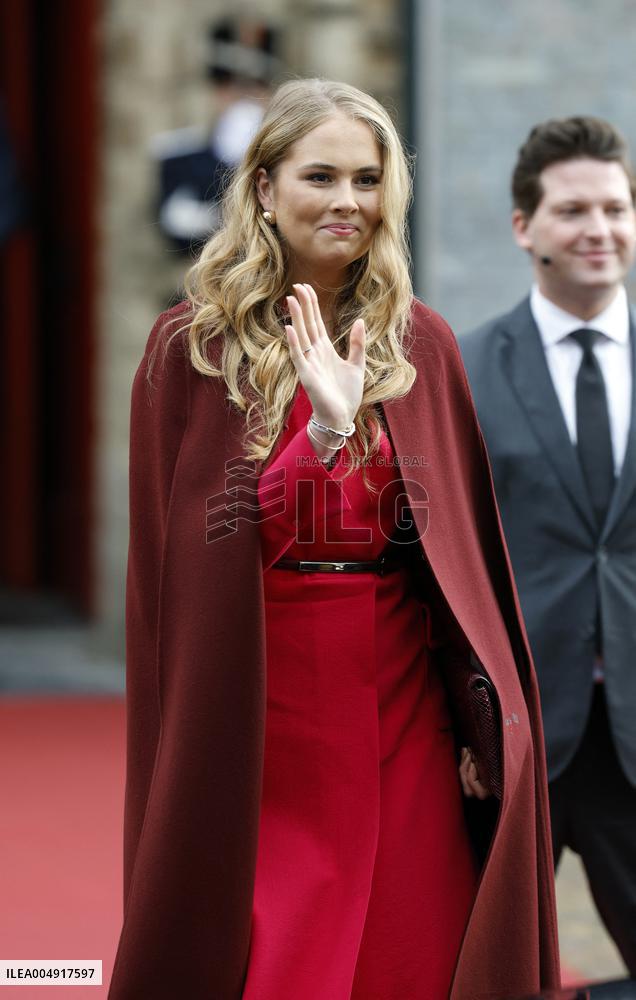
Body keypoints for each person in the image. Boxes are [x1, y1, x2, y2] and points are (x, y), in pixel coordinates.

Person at [109, 79, 559, 999]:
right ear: (265, 188)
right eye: (320, 176)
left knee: (412, 950)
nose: (347, 200)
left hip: (401, 702)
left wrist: (476, 716)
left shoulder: (422, 343)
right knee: (280, 956)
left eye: (367, 178)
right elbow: (210, 554)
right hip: (258, 707)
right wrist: (320, 432)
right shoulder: (191, 350)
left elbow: (456, 560)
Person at [461, 116, 636, 976]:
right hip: (515, 737)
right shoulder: (462, 370)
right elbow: (445, 564)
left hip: (634, 737)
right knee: (481, 972)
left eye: (615, 208)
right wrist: (463, 726)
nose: (599, 229)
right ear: (524, 227)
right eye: (573, 211)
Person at [153, 17, 279, 254]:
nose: (243, 97)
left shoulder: (284, 158)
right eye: (229, 86)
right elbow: (175, 229)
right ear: (215, 92)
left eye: (255, 87)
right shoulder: (179, 155)